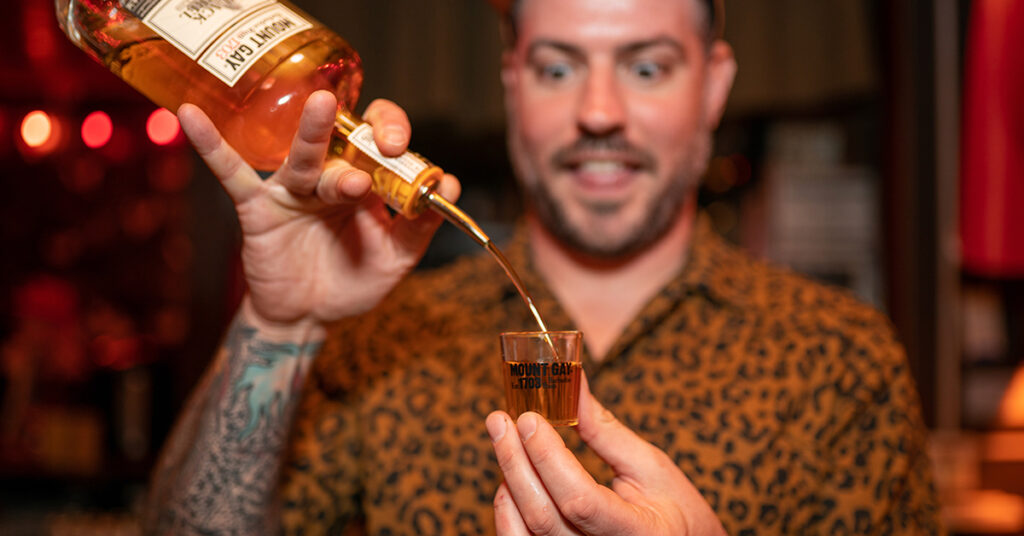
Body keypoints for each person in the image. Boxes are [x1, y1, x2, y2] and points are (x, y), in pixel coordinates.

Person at [143, 0, 943, 534]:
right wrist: (280, 327)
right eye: (558, 68)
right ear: (512, 84)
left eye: (647, 67)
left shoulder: (840, 361)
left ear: (715, 86)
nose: (599, 111)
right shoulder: (384, 342)